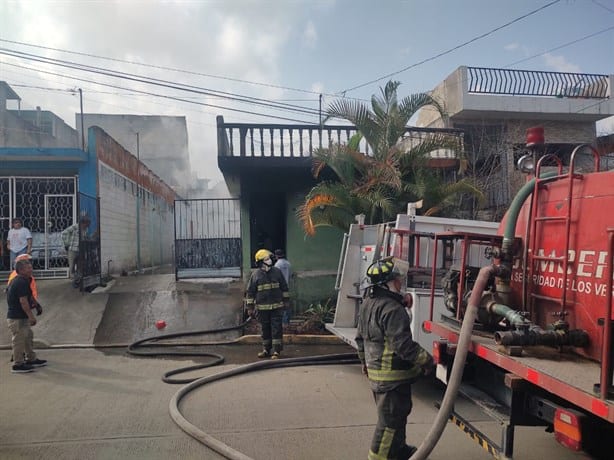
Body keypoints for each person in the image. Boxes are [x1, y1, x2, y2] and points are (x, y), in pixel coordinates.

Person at [355, 258, 434, 460]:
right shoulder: (392, 310)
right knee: (389, 424)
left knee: (397, 418)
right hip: (393, 379)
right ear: (387, 284)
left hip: (378, 376)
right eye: (397, 280)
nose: (400, 283)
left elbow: (360, 339)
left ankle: (397, 451)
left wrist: (364, 363)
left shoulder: (368, 304)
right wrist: (428, 361)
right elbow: (404, 347)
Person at [245, 249, 289, 359]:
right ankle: (266, 349)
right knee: (265, 329)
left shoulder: (277, 272)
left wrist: (286, 302)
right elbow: (250, 292)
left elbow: (284, 288)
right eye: (266, 259)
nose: (269, 261)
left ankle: (277, 351)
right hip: (262, 309)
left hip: (276, 307)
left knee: (276, 329)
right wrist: (250, 308)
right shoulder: (255, 275)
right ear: (260, 262)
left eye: (269, 258)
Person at [6, 258, 47, 373]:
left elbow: (29, 296)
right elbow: (23, 301)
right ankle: (18, 364)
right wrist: (31, 316)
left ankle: (31, 358)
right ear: (21, 270)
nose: (31, 269)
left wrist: (37, 305)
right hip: (16, 317)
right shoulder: (19, 282)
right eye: (28, 268)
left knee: (28, 336)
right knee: (19, 340)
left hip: (21, 316)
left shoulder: (26, 280)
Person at [61, 216, 91, 286]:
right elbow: (64, 233)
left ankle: (78, 280)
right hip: (72, 250)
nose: (88, 225)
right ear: (84, 223)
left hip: (80, 250)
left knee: (80, 266)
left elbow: (84, 238)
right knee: (72, 266)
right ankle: (74, 281)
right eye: (88, 224)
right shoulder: (75, 227)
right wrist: (67, 243)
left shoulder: (85, 230)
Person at [274, 249, 292, 325]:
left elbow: (275, 277)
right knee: (286, 304)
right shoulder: (288, 264)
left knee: (280, 305)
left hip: (279, 288)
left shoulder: (277, 265)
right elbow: (291, 275)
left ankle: (283, 323)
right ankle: (287, 322)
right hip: (287, 287)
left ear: (276, 256)